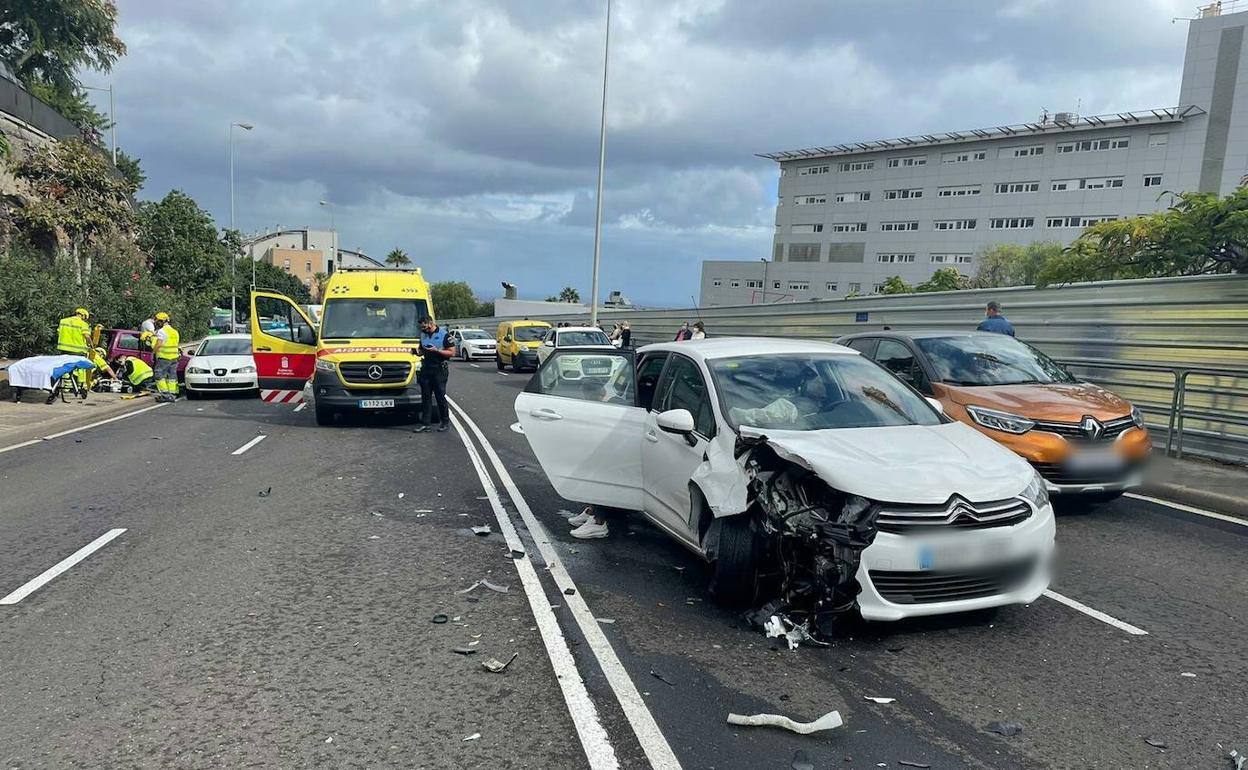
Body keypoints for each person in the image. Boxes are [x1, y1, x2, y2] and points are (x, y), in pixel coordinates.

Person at [414, 315, 455, 432]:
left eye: (424, 327)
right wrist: (417, 352)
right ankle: (426, 424)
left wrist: (437, 350)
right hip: (426, 368)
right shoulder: (423, 335)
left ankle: (445, 422)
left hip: (439, 369)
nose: (423, 329)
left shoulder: (444, 335)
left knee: (440, 396)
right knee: (426, 397)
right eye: (421, 327)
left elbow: (452, 352)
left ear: (431, 323)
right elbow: (422, 350)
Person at [151, 311, 181, 402]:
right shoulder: (175, 332)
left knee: (159, 375)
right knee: (172, 377)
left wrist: (153, 353)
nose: (156, 323)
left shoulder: (162, 331)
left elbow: (159, 344)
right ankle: (172, 394)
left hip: (164, 357)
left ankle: (165, 395)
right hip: (174, 358)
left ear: (161, 321)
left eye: (157, 321)